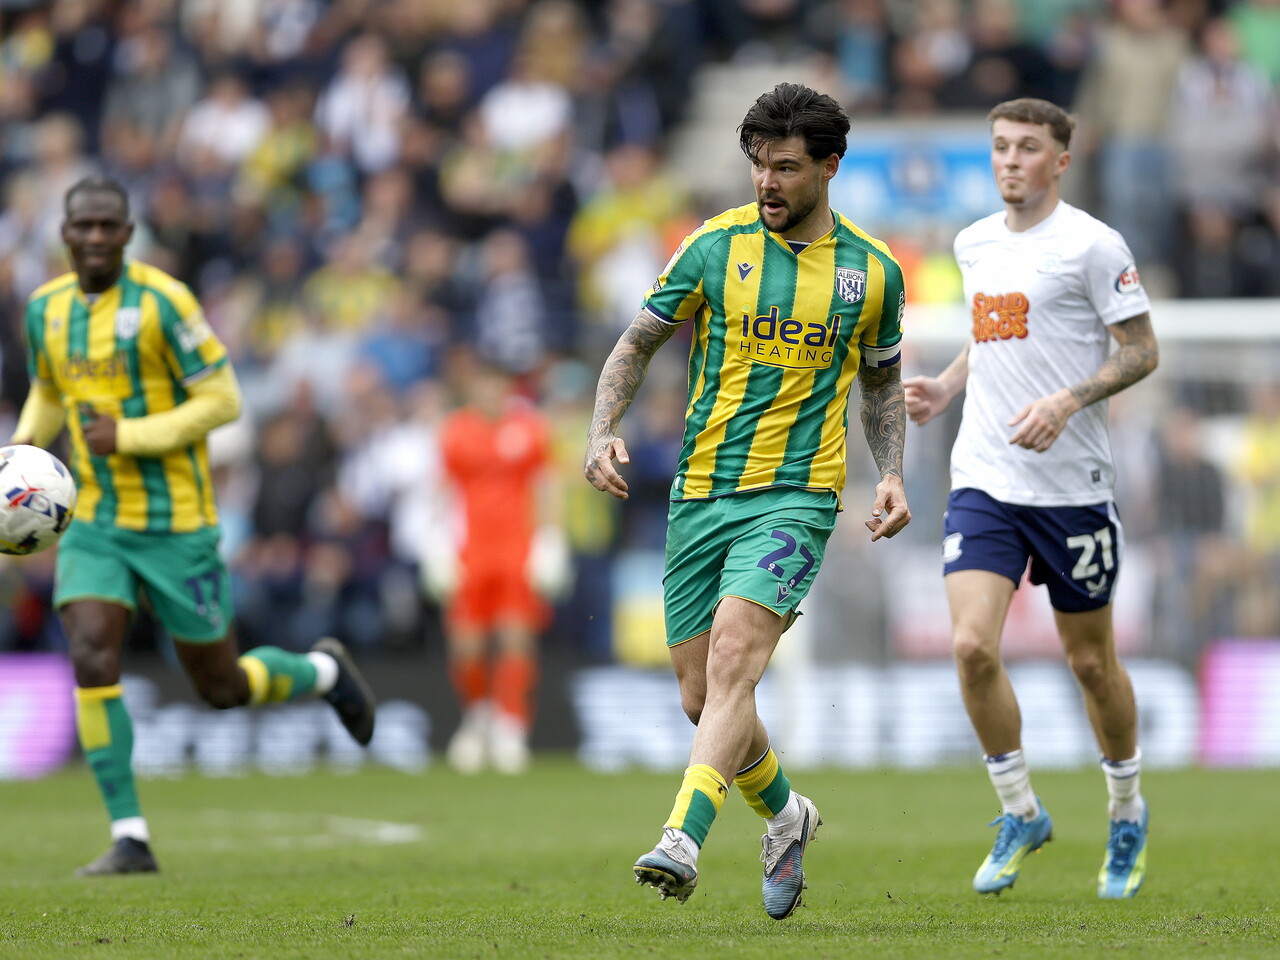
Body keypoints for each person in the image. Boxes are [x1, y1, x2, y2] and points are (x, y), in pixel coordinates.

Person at [584, 83, 910, 919]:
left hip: (798, 496)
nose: (767, 182)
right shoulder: (711, 246)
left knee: (735, 662)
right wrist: (601, 430)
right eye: (760, 165)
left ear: (830, 167)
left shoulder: (871, 274)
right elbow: (638, 342)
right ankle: (789, 815)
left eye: (787, 167)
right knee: (703, 699)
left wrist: (894, 473)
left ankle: (682, 839)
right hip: (701, 492)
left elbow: (882, 384)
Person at [11, 176, 376, 876]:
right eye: (81, 226)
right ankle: (130, 835)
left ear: (126, 233)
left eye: (106, 226)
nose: (93, 237)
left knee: (221, 688)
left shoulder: (164, 303)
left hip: (178, 524)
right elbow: (49, 392)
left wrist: (133, 435)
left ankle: (322, 671)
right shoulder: (44, 310)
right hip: (94, 521)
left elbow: (223, 400)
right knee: (91, 653)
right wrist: (19, 466)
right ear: (64, 233)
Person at [903, 98, 1159, 899]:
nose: (1010, 160)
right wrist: (946, 386)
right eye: (1000, 147)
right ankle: (1021, 811)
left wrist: (1066, 401)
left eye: (1027, 148)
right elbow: (994, 336)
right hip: (985, 478)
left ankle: (1125, 810)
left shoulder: (1093, 245)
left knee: (1091, 663)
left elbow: (1142, 350)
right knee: (972, 647)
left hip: (1072, 491)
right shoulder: (973, 242)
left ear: (1060, 161)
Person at [423, 354, 568, 774]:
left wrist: (551, 540)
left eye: (497, 383)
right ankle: (478, 715)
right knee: (466, 644)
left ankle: (511, 724)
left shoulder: (530, 428)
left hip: (516, 551)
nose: (490, 391)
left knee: (515, 639)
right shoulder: (455, 430)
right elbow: (441, 488)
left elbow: (546, 484)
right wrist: (435, 542)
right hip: (471, 551)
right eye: (483, 383)